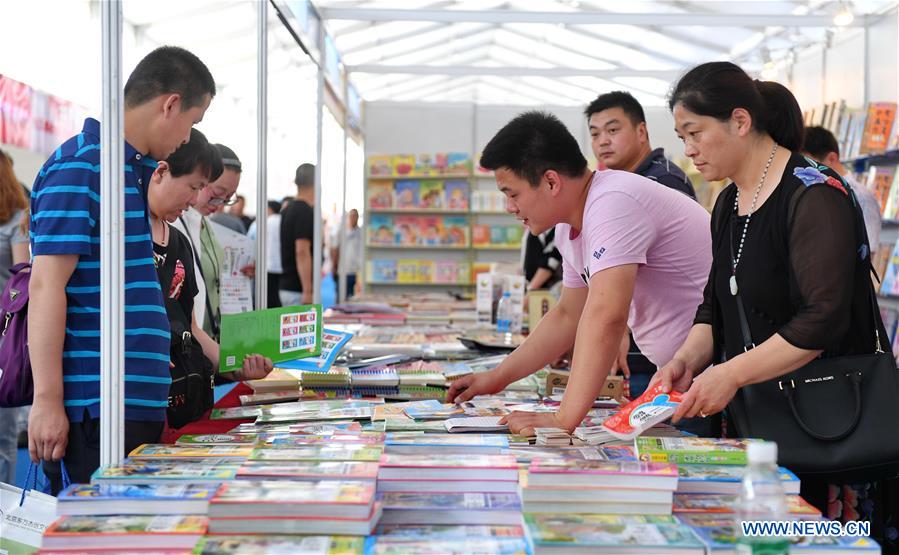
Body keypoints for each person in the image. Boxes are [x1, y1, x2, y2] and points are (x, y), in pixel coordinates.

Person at [653, 61, 892, 538]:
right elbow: (713, 307)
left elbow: (819, 322)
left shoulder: (813, 193)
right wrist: (684, 361)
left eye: (695, 133)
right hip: (759, 425)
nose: (689, 150)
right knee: (759, 541)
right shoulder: (728, 201)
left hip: (829, 425)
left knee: (817, 543)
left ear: (740, 121)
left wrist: (729, 373)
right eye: (682, 137)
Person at [446, 111, 712, 437]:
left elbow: (605, 315)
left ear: (551, 181)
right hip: (679, 378)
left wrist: (563, 420)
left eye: (512, 194)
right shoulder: (570, 227)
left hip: (710, 376)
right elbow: (568, 315)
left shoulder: (612, 203)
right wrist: (496, 378)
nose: (509, 208)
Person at [28, 46, 215, 492]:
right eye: (192, 122)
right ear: (170, 104)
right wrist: (48, 400)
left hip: (135, 402)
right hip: (98, 404)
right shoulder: (82, 167)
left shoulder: (133, 175)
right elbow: (45, 285)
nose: (188, 137)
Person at [147, 129, 271, 418]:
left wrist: (232, 366)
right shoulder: (131, 236)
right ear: (160, 172)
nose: (195, 202)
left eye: (227, 199)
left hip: (187, 378)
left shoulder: (184, 238)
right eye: (200, 189)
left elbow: (191, 324)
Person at [171, 144, 244, 340]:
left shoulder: (205, 224)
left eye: (228, 198)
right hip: (192, 339)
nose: (219, 203)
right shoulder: (177, 223)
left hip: (209, 338)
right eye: (217, 193)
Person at [586, 91, 695, 198]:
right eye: (595, 134)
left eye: (612, 130)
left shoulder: (664, 181)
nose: (603, 142)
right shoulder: (613, 183)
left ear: (641, 132)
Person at [803, 126, 882, 254]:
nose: (806, 172)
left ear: (832, 159)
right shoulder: (814, 193)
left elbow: (868, 253)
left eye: (810, 164)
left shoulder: (861, 197)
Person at [0, 149, 30, 485]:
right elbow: (23, 276)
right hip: (6, 331)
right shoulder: (17, 219)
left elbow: (23, 278)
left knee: (5, 429)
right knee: (4, 432)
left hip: (4, 331)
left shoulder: (17, 218)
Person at [280, 163, 316, 306]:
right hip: (298, 290)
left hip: (287, 285)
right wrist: (307, 290)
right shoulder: (304, 211)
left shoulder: (288, 209)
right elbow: (302, 251)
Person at [247, 200, 283, 308]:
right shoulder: (283, 221)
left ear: (269, 209)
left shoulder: (260, 223)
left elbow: (250, 241)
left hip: (265, 266)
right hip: (282, 267)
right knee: (277, 299)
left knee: (266, 299)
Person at [330, 208, 362, 299]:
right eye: (351, 216)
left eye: (355, 216)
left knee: (353, 297)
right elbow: (335, 249)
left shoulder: (361, 232)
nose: (353, 218)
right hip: (343, 270)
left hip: (356, 271)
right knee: (341, 296)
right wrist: (334, 266)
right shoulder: (341, 232)